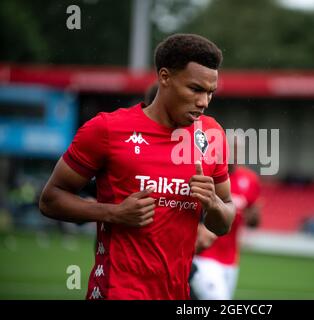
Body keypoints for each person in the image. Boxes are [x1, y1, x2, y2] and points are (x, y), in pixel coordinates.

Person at [39, 33, 235, 300]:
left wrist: (212, 203)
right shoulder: (107, 129)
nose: (204, 102)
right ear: (165, 77)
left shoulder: (212, 135)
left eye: (210, 92)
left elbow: (225, 221)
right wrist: (113, 213)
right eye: (195, 89)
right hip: (116, 292)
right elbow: (50, 200)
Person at [189, 135, 261, 300]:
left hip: (231, 259)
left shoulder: (250, 180)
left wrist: (254, 217)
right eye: (231, 148)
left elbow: (254, 221)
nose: (235, 153)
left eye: (239, 149)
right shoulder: (208, 175)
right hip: (205, 255)